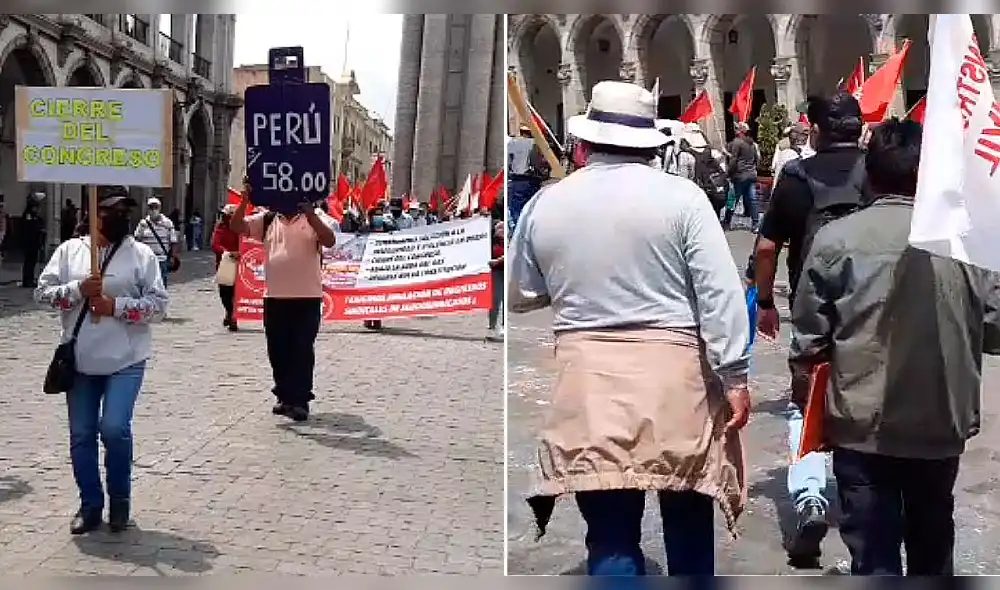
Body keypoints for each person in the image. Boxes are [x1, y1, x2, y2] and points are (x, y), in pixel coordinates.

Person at [509, 81, 750, 577]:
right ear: (652, 143)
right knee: (686, 511)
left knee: (610, 528)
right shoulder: (684, 199)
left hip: (588, 380)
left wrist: (576, 280)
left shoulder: (547, 204)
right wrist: (736, 375)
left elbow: (520, 294)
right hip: (674, 382)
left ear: (585, 141)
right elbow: (719, 295)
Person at [790, 118, 1000, 575]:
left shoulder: (836, 239)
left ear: (870, 172)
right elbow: (996, 329)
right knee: (932, 545)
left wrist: (805, 395)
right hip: (939, 421)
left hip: (862, 426)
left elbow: (808, 338)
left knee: (874, 554)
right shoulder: (966, 242)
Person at [751, 91, 871, 566]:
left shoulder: (797, 177)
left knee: (807, 400)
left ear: (815, 130)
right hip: (874, 307)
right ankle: (870, 498)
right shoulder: (877, 170)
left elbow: (765, 248)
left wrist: (764, 301)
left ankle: (810, 499)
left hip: (814, 308)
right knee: (868, 397)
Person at [34, 189, 168, 535]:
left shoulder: (140, 255)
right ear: (93, 214)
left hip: (126, 358)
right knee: (81, 434)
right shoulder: (69, 251)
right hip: (79, 360)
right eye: (110, 211)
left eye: (124, 211)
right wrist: (77, 289)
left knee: (114, 428)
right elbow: (42, 293)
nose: (118, 217)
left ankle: (120, 500)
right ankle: (90, 504)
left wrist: (117, 307)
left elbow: (159, 304)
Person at [229, 178, 337, 422]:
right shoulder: (267, 219)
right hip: (274, 296)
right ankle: (283, 395)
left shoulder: (314, 218)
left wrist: (311, 214)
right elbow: (237, 226)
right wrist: (245, 199)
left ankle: (300, 400)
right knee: (277, 350)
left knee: (301, 349)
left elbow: (329, 240)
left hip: (307, 296)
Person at [676, 125, 730, 220]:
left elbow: (684, 176)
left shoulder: (686, 155)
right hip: (712, 186)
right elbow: (721, 169)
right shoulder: (710, 151)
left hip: (697, 187)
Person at [508, 124, 549, 227]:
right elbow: (537, 162)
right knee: (531, 209)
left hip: (516, 179)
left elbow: (509, 161)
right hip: (531, 179)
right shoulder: (535, 144)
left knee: (516, 210)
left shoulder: (512, 143)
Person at [134, 197, 179, 288]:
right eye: (151, 207)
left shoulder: (167, 223)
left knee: (161, 283)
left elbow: (173, 241)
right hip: (146, 260)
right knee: (147, 284)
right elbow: (137, 240)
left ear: (160, 208)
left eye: (156, 207)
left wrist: (173, 256)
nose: (153, 210)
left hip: (162, 259)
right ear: (148, 209)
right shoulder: (143, 223)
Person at [725, 122, 761, 232]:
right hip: (751, 174)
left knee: (733, 199)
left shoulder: (737, 143)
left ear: (739, 131)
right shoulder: (752, 144)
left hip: (740, 175)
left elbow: (733, 160)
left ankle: (727, 222)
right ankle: (755, 223)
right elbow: (757, 159)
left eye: (736, 128)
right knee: (752, 199)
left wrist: (729, 173)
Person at [211, 204, 241, 332]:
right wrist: (227, 253)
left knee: (236, 293)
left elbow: (247, 242)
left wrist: (240, 253)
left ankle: (234, 318)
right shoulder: (220, 227)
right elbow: (215, 244)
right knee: (224, 293)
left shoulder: (241, 228)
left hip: (240, 264)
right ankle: (229, 311)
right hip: (224, 264)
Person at [362, 206, 390, 331]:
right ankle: (368, 318)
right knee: (368, 293)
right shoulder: (365, 229)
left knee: (379, 293)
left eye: (380, 215)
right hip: (367, 266)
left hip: (381, 266)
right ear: (370, 217)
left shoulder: (388, 228)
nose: (379, 217)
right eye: (376, 215)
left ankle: (377, 319)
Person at [19, 195, 45, 288]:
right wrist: (39, 229)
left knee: (32, 262)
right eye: (36, 207)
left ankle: (29, 279)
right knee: (29, 262)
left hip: (34, 243)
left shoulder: (33, 216)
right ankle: (27, 280)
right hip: (29, 243)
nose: (37, 209)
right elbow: (30, 228)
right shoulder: (28, 215)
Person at [487, 219, 504, 341]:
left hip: (507, 271)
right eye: (499, 228)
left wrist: (498, 261)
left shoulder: (510, 240)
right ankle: (492, 324)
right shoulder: (490, 242)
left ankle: (503, 325)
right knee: (495, 299)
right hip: (495, 272)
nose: (501, 230)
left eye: (503, 228)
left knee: (505, 299)